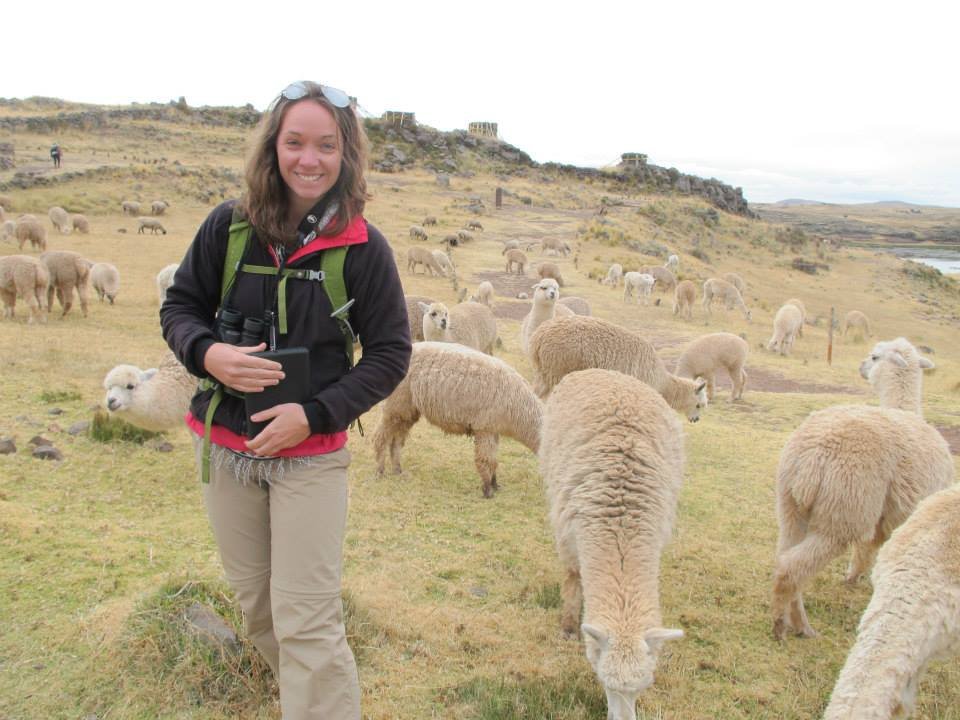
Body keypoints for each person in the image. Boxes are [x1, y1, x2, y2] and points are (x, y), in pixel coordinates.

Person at [160, 81, 411, 719]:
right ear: (273, 147)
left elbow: (389, 354)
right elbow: (181, 307)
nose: (309, 159)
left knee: (307, 618)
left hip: (312, 457)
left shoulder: (363, 248)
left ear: (345, 154)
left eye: (326, 145)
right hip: (228, 449)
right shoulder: (229, 226)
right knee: (259, 607)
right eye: (295, 142)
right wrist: (207, 353)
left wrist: (315, 413)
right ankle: (299, 698)